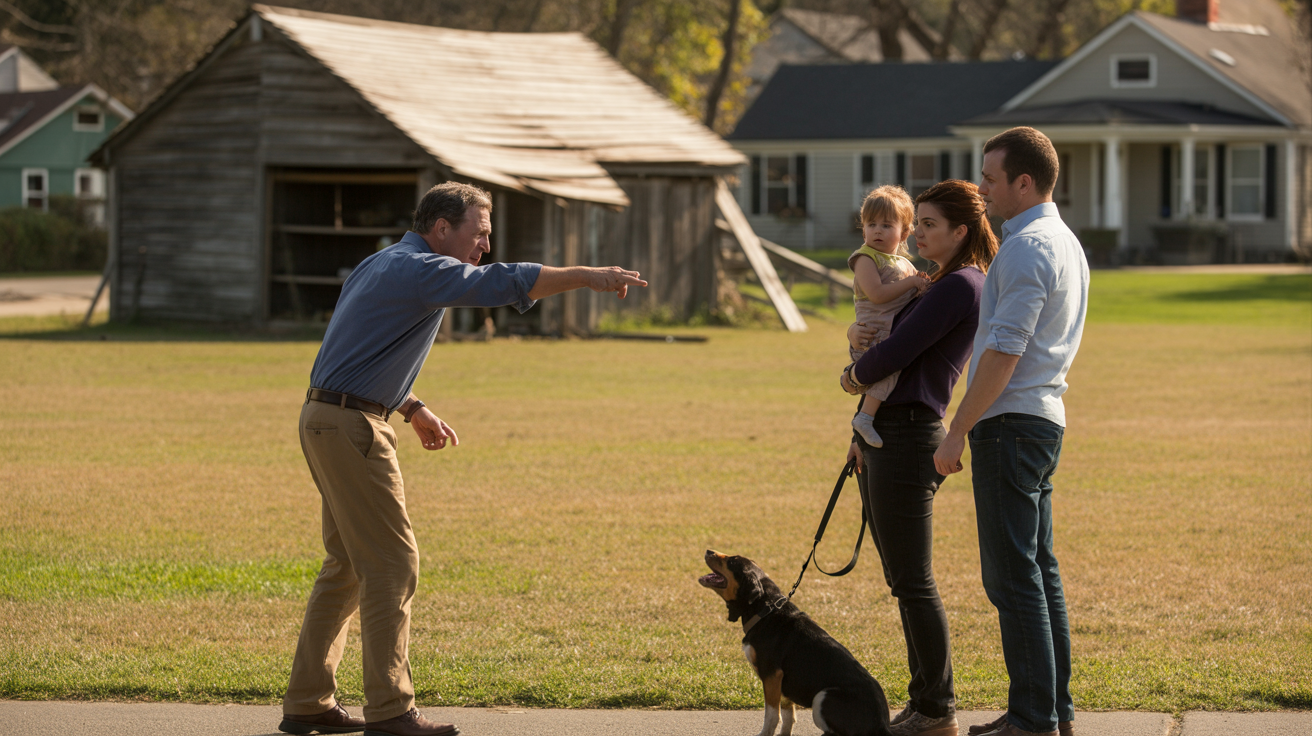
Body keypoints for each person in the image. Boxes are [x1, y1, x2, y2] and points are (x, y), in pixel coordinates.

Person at [278, 182, 646, 736]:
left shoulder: (381, 264)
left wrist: (411, 405)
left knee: (349, 565)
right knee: (392, 564)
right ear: (441, 228)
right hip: (352, 427)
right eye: (478, 233)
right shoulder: (421, 269)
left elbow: (357, 348)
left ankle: (309, 700)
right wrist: (588, 276)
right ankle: (391, 710)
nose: (483, 247)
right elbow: (503, 282)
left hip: (329, 416)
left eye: (488, 236)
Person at [932, 127, 1089, 736]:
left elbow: (1004, 352)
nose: (982, 189)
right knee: (1037, 572)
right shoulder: (1062, 241)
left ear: (1025, 182)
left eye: (991, 179)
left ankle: (1032, 719)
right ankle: (1053, 711)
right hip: (1041, 421)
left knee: (1011, 577)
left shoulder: (1027, 248)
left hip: (1012, 426)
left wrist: (956, 431)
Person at [840, 179, 999, 736]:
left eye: (929, 224)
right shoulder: (935, 284)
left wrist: (850, 376)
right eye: (920, 223)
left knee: (913, 581)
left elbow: (900, 353)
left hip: (908, 435)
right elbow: (887, 341)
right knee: (903, 579)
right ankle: (928, 702)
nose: (919, 232)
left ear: (960, 231)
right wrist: (859, 348)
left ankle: (936, 708)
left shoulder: (959, 285)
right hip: (889, 431)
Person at [847, 185, 930, 449]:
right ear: (863, 230)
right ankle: (865, 417)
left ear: (904, 232)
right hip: (873, 333)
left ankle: (867, 415)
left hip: (890, 331)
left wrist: (923, 286)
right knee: (888, 370)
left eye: (886, 225)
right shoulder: (865, 258)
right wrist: (912, 284)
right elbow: (878, 294)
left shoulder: (905, 264)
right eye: (871, 224)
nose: (877, 231)